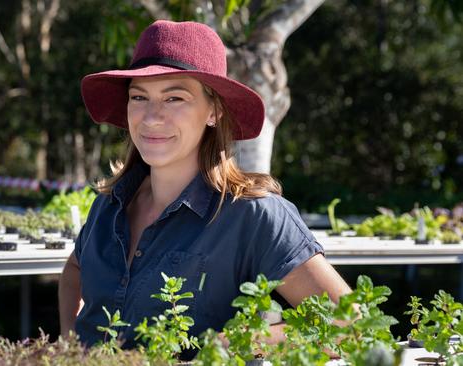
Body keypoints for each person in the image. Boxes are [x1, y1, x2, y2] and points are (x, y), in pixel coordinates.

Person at [58, 20, 351, 352]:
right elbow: (75, 269)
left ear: (214, 111)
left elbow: (346, 323)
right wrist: (71, 340)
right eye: (139, 96)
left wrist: (234, 344)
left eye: (174, 99)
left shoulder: (254, 215)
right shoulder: (108, 206)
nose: (152, 116)